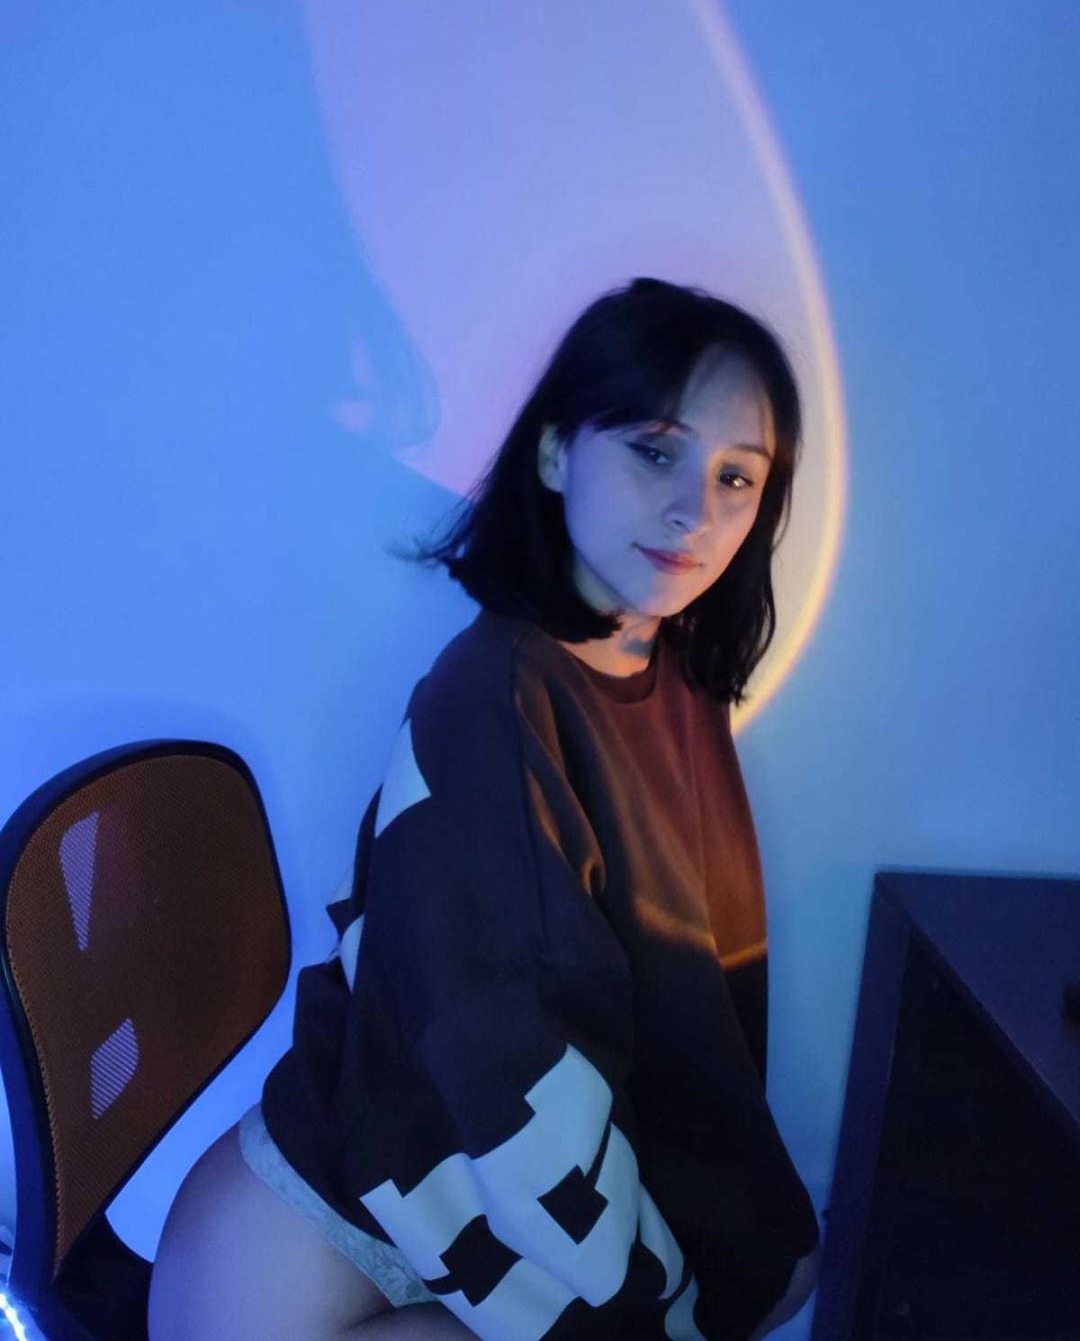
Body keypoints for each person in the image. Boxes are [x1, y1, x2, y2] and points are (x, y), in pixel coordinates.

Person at [148, 277, 822, 1340]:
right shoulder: (493, 709)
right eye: (656, 452)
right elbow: (497, 1068)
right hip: (313, 1258)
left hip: (454, 1212)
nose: (696, 510)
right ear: (555, 454)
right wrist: (661, 1297)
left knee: (782, 1271)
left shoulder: (670, 676)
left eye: (736, 476)